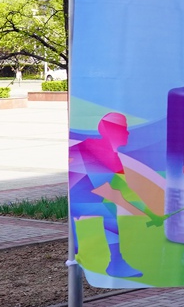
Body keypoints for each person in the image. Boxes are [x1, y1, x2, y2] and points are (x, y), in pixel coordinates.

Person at [69, 112, 164, 279]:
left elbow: (124, 190)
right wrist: (145, 214)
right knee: (110, 214)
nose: (127, 133)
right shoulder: (93, 150)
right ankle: (115, 263)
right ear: (111, 131)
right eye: (123, 129)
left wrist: (149, 213)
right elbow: (109, 192)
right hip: (78, 203)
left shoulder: (111, 156)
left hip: (87, 201)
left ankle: (111, 261)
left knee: (110, 209)